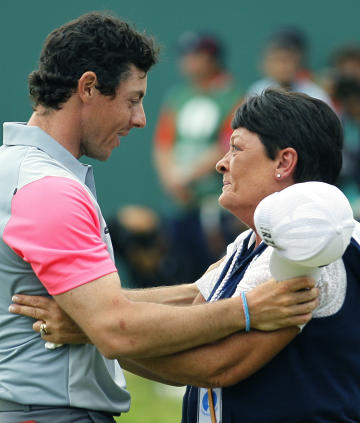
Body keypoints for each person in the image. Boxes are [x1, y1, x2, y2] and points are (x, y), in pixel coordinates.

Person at [0, 12, 319, 423]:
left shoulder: (15, 168)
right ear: (89, 87)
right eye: (133, 99)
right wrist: (246, 310)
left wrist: (196, 294)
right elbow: (116, 327)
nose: (140, 118)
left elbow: (107, 315)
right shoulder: (49, 188)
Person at [153, 30, 244, 282]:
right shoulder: (178, 96)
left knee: (216, 276)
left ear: (213, 58)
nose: (188, 61)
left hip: (216, 207)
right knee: (179, 274)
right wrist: (171, 180)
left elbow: (228, 144)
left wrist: (186, 177)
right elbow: (163, 144)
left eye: (196, 55)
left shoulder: (233, 96)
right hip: (180, 204)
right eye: (185, 55)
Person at [247, 27, 331, 104]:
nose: (282, 67)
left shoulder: (315, 95)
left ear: (298, 62)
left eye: (287, 60)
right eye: (277, 59)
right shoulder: (257, 90)